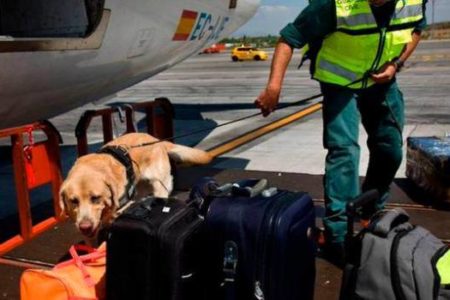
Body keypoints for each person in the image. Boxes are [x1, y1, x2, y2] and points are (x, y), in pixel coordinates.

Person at [255, 0, 427, 265]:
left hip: (381, 81)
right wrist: (273, 88)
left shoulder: (414, 1)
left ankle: (371, 210)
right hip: (339, 83)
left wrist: (396, 64)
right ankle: (337, 237)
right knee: (344, 151)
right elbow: (288, 39)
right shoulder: (335, 4)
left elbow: (416, 29)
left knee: (390, 149)